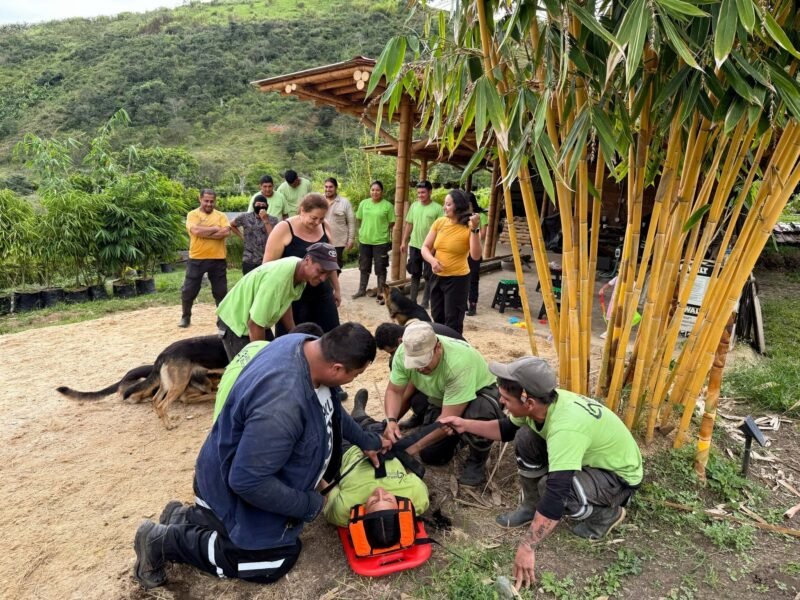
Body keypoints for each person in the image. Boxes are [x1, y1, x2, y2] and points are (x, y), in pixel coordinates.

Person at [132, 323, 386, 589]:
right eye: (355, 375)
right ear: (336, 368)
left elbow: (331, 407)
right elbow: (247, 482)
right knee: (270, 562)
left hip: (237, 466)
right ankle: (164, 542)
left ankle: (190, 517)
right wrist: (309, 504)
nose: (352, 381)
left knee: (275, 532)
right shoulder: (283, 406)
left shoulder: (305, 345)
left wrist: (368, 440)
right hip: (231, 486)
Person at [439, 357, 643, 590]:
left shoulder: (566, 428)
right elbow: (506, 429)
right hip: (590, 460)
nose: (501, 402)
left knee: (553, 488)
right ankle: (530, 507)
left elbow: (556, 494)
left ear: (529, 401)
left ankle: (606, 515)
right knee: (525, 436)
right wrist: (464, 424)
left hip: (618, 477)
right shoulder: (541, 406)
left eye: (505, 399)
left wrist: (527, 547)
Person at [382, 321, 503, 486]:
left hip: (478, 393)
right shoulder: (403, 352)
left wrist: (413, 447)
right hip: (442, 396)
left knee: (480, 413)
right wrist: (391, 421)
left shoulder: (458, 362)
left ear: (438, 347)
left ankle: (477, 459)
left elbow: (447, 417)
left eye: (424, 362)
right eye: (415, 363)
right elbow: (394, 391)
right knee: (432, 455)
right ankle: (459, 437)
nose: (419, 369)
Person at [216, 243, 340, 360]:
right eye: (321, 271)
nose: (323, 278)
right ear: (308, 260)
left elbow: (285, 303)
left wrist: (293, 333)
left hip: (257, 321)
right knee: (249, 373)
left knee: (271, 363)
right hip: (236, 323)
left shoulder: (299, 272)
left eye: (328, 274)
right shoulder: (278, 280)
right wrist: (260, 360)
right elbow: (254, 324)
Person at [264, 193, 341, 334]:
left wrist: (337, 289)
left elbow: (331, 263)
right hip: (293, 298)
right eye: (314, 218)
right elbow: (267, 268)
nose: (317, 222)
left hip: (322, 293)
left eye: (322, 218)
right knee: (294, 340)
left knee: (330, 339)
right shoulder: (283, 229)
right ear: (302, 210)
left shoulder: (325, 227)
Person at [421, 189, 481, 335]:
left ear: (458, 206)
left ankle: (454, 349)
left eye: (448, 204)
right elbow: (425, 247)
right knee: (437, 316)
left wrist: (474, 230)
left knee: (453, 320)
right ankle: (440, 348)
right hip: (437, 276)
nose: (444, 207)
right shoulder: (440, 223)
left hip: (457, 279)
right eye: (444, 204)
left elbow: (475, 256)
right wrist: (433, 261)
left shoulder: (469, 226)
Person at [179, 189, 230, 329]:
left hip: (218, 258)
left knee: (221, 292)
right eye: (206, 201)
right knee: (189, 290)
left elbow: (225, 232)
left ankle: (223, 320)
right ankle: (185, 316)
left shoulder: (221, 215)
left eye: (212, 201)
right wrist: (214, 228)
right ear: (200, 199)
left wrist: (204, 232)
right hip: (197, 258)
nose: (209, 204)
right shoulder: (192, 214)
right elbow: (195, 231)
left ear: (215, 201)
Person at [352, 180, 396, 304]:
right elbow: (359, 219)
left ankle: (381, 293)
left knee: (380, 267)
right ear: (370, 191)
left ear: (382, 192)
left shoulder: (387, 206)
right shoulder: (363, 204)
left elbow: (392, 222)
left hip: (381, 242)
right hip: (364, 240)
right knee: (363, 266)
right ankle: (361, 290)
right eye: (373, 190)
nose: (375, 192)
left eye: (377, 190)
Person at [401, 180, 443, 308]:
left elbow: (441, 231)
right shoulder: (414, 206)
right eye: (418, 192)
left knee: (429, 275)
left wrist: (435, 248)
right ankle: (412, 301)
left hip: (430, 249)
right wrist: (404, 241)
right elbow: (409, 224)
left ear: (430, 192)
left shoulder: (438, 208)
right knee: (415, 273)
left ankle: (425, 302)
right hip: (414, 245)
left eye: (423, 192)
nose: (420, 195)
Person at [230, 194, 278, 275]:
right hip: (249, 259)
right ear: (253, 205)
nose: (260, 207)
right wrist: (242, 236)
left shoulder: (273, 220)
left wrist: (265, 220)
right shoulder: (245, 217)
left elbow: (274, 237)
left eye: (263, 205)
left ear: (267, 206)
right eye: (258, 204)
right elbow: (231, 224)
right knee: (249, 285)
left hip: (266, 259)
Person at [323, 177, 355, 268]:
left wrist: (351, 239)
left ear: (336, 188)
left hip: (338, 241)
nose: (328, 189)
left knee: (336, 266)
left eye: (330, 187)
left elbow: (351, 222)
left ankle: (334, 282)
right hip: (321, 239)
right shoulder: (319, 200)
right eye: (326, 187)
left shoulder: (345, 202)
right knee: (322, 265)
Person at [466, 192, 488, 316]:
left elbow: (482, 234)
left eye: (467, 203)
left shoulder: (481, 216)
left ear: (472, 203)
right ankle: (462, 303)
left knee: (473, 279)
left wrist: (472, 236)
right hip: (462, 252)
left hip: (474, 252)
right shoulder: (461, 217)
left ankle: (472, 304)